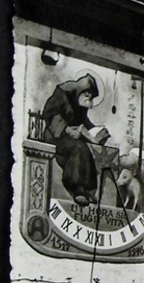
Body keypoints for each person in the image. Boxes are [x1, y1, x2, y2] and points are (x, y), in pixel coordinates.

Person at [42, 73, 110, 206]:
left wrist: (96, 132)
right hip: (56, 136)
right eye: (87, 95)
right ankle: (78, 189)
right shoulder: (62, 93)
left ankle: (89, 190)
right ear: (82, 91)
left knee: (87, 150)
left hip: (73, 137)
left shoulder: (79, 101)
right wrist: (66, 129)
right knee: (79, 148)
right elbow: (50, 114)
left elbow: (83, 120)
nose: (89, 98)